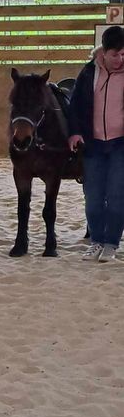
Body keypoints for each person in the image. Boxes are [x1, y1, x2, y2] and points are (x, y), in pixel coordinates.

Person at [68, 25, 124, 262]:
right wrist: (74, 133)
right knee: (92, 199)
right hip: (93, 146)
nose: (120, 59)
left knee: (116, 196)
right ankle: (96, 241)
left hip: (120, 145)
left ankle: (111, 243)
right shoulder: (89, 72)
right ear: (104, 52)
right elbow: (76, 106)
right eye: (115, 54)